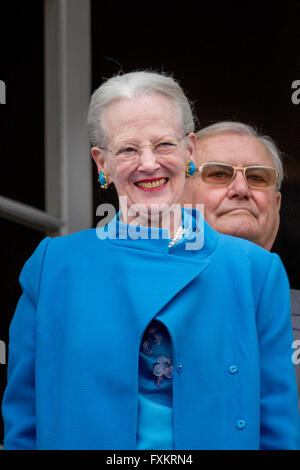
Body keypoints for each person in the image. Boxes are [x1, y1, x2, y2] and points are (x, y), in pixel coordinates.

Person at [2, 73, 299, 450]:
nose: (148, 164)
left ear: (190, 151)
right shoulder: (54, 266)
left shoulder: (255, 271)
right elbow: (23, 425)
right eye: (127, 150)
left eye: (164, 145)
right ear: (102, 164)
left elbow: (278, 430)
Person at [181, 120, 300, 406]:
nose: (241, 188)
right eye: (218, 174)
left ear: (277, 204)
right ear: (177, 198)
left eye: (258, 178)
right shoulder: (139, 310)